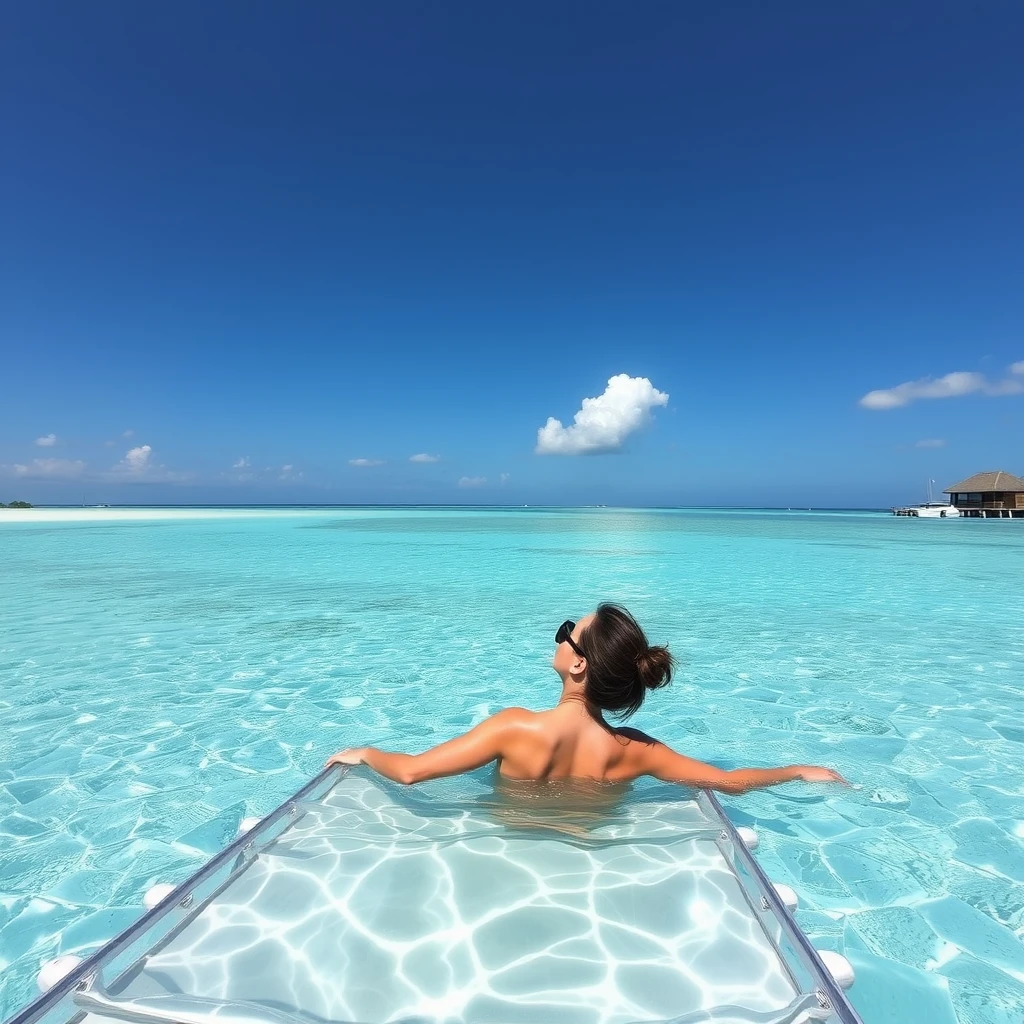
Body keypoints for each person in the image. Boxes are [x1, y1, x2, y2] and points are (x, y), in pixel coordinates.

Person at [327, 604, 848, 793]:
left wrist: (366, 752)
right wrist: (798, 771)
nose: (559, 636)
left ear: (577, 664)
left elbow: (413, 772)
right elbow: (729, 782)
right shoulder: (635, 751)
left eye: (567, 631)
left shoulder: (514, 728)